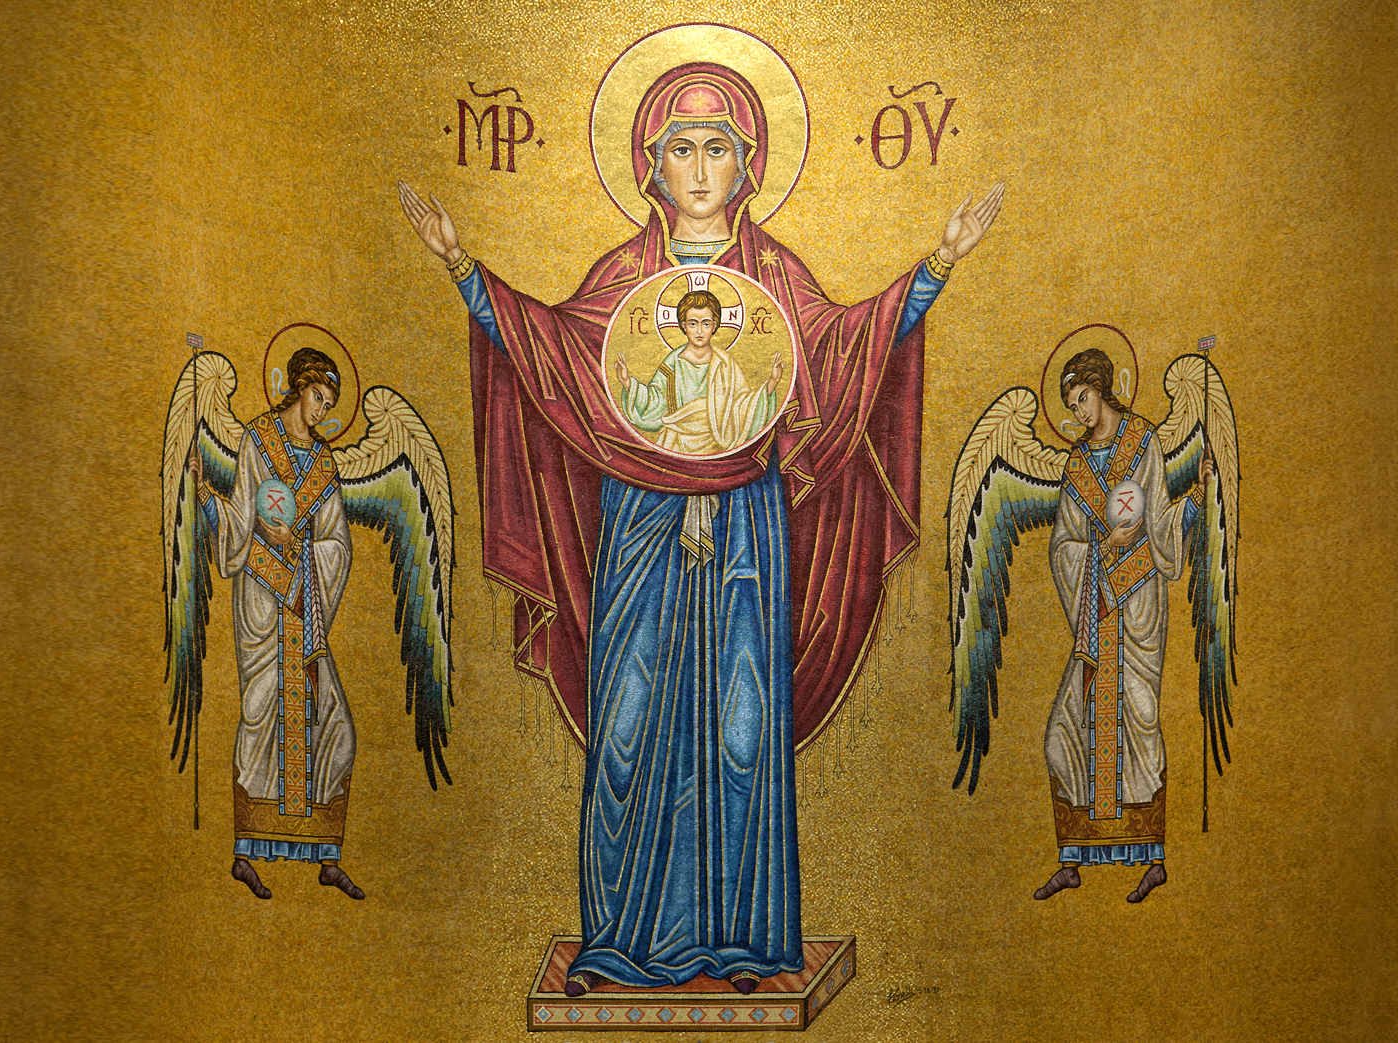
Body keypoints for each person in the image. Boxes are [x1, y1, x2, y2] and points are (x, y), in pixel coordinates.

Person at [399, 62, 1003, 992]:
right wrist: (462, 269)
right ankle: (620, 939)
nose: (698, 168)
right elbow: (550, 352)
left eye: (717, 147)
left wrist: (937, 267)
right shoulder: (622, 277)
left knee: (742, 724)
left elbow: (845, 349)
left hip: (746, 526)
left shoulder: (775, 275)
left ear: (747, 163)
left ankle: (746, 942)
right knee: (628, 720)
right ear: (651, 165)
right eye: (679, 149)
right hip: (640, 520)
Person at [1034, 347, 1213, 904]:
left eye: (1083, 398)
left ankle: (1153, 858)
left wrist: (1194, 499)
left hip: (1136, 607)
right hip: (1095, 613)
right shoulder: (1075, 466)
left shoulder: (1143, 442)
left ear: (1102, 388)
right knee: (1062, 734)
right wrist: (1096, 549)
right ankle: (1072, 859)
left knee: (1139, 723)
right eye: (1071, 405)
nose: (1079, 412)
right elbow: (1062, 545)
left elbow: (1157, 520)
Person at [190, 347, 366, 901]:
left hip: (304, 608)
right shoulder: (258, 440)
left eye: (330, 404)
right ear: (298, 388)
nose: (322, 411)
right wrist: (206, 496)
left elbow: (339, 544)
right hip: (263, 602)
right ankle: (245, 853)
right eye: (318, 397)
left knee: (336, 726)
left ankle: (326, 855)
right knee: (261, 715)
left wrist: (305, 548)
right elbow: (242, 517)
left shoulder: (326, 466)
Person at [613, 288, 783, 457]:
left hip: (717, 446)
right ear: (684, 326)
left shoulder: (725, 364)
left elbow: (742, 406)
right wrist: (627, 382)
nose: (699, 331)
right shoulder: (673, 362)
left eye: (706, 324)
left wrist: (772, 382)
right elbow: (655, 402)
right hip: (676, 444)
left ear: (714, 326)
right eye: (693, 324)